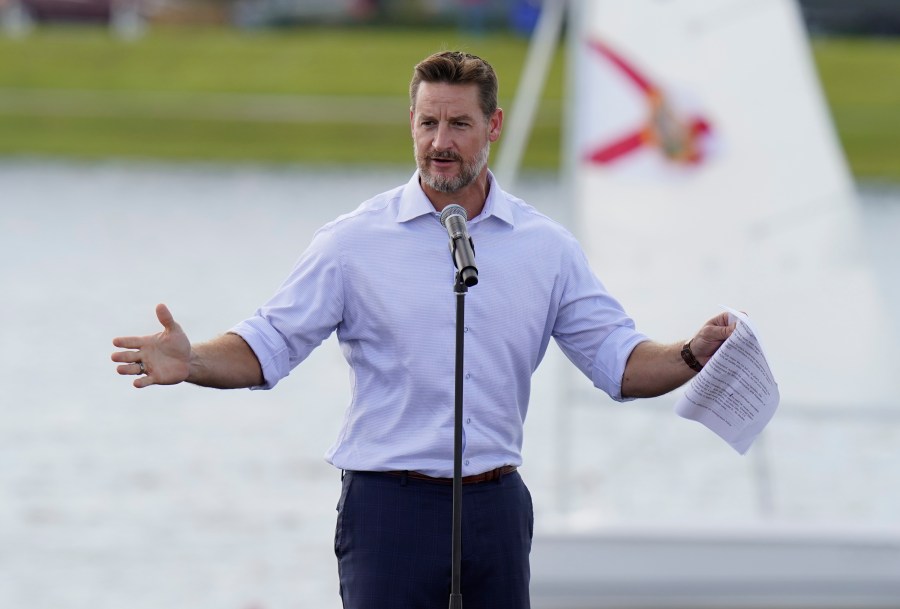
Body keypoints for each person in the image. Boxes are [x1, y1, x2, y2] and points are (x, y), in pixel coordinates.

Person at [112, 50, 734, 609]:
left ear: (493, 127)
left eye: (459, 124)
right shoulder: (353, 242)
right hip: (390, 510)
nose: (440, 142)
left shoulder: (546, 249)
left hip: (496, 508)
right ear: (410, 122)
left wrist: (690, 352)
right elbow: (267, 344)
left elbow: (620, 364)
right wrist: (191, 361)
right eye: (427, 123)